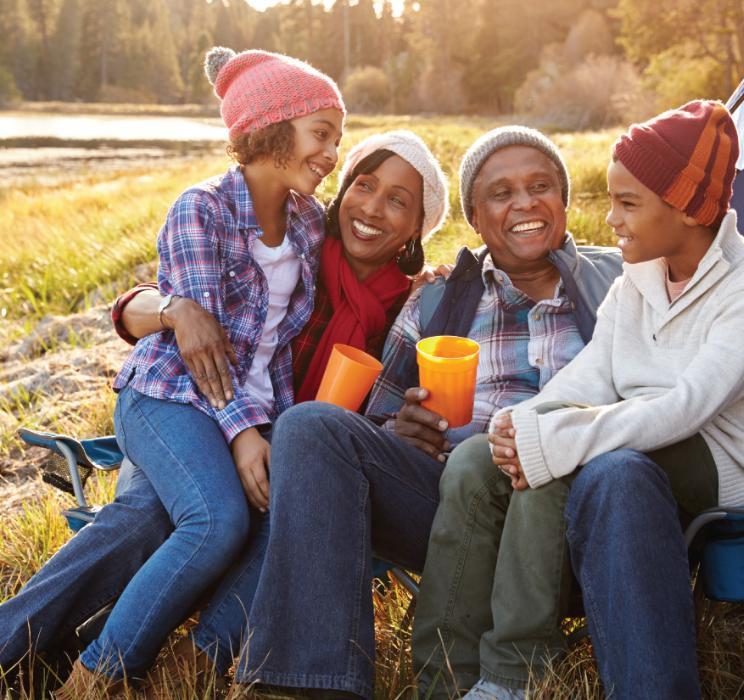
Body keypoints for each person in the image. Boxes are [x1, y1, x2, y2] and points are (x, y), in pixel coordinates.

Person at [229, 125, 744, 699]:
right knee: (308, 426)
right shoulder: (436, 298)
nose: (524, 204)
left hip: (583, 512)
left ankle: (510, 674)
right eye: (500, 194)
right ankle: (317, 683)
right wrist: (400, 429)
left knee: (593, 468)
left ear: (562, 202)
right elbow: (375, 417)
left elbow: (701, 410)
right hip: (454, 500)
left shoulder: (620, 269)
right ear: (475, 219)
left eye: (540, 187)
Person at [0, 125, 448, 696]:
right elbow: (148, 305)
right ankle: (21, 646)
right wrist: (173, 311)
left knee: (293, 518)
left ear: (418, 227)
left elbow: (382, 434)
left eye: (398, 201)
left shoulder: (412, 309)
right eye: (364, 185)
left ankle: (182, 673)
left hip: (290, 462)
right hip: (193, 414)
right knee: (152, 516)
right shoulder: (302, 243)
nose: (373, 208)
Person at [411, 101, 744, 700]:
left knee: (558, 462)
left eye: (628, 204)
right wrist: (520, 423)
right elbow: (590, 377)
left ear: (686, 207)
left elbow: (688, 406)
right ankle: (443, 678)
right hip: (637, 442)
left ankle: (514, 675)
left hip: (724, 465)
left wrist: (559, 438)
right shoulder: (640, 278)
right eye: (611, 200)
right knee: (474, 462)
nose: (612, 219)